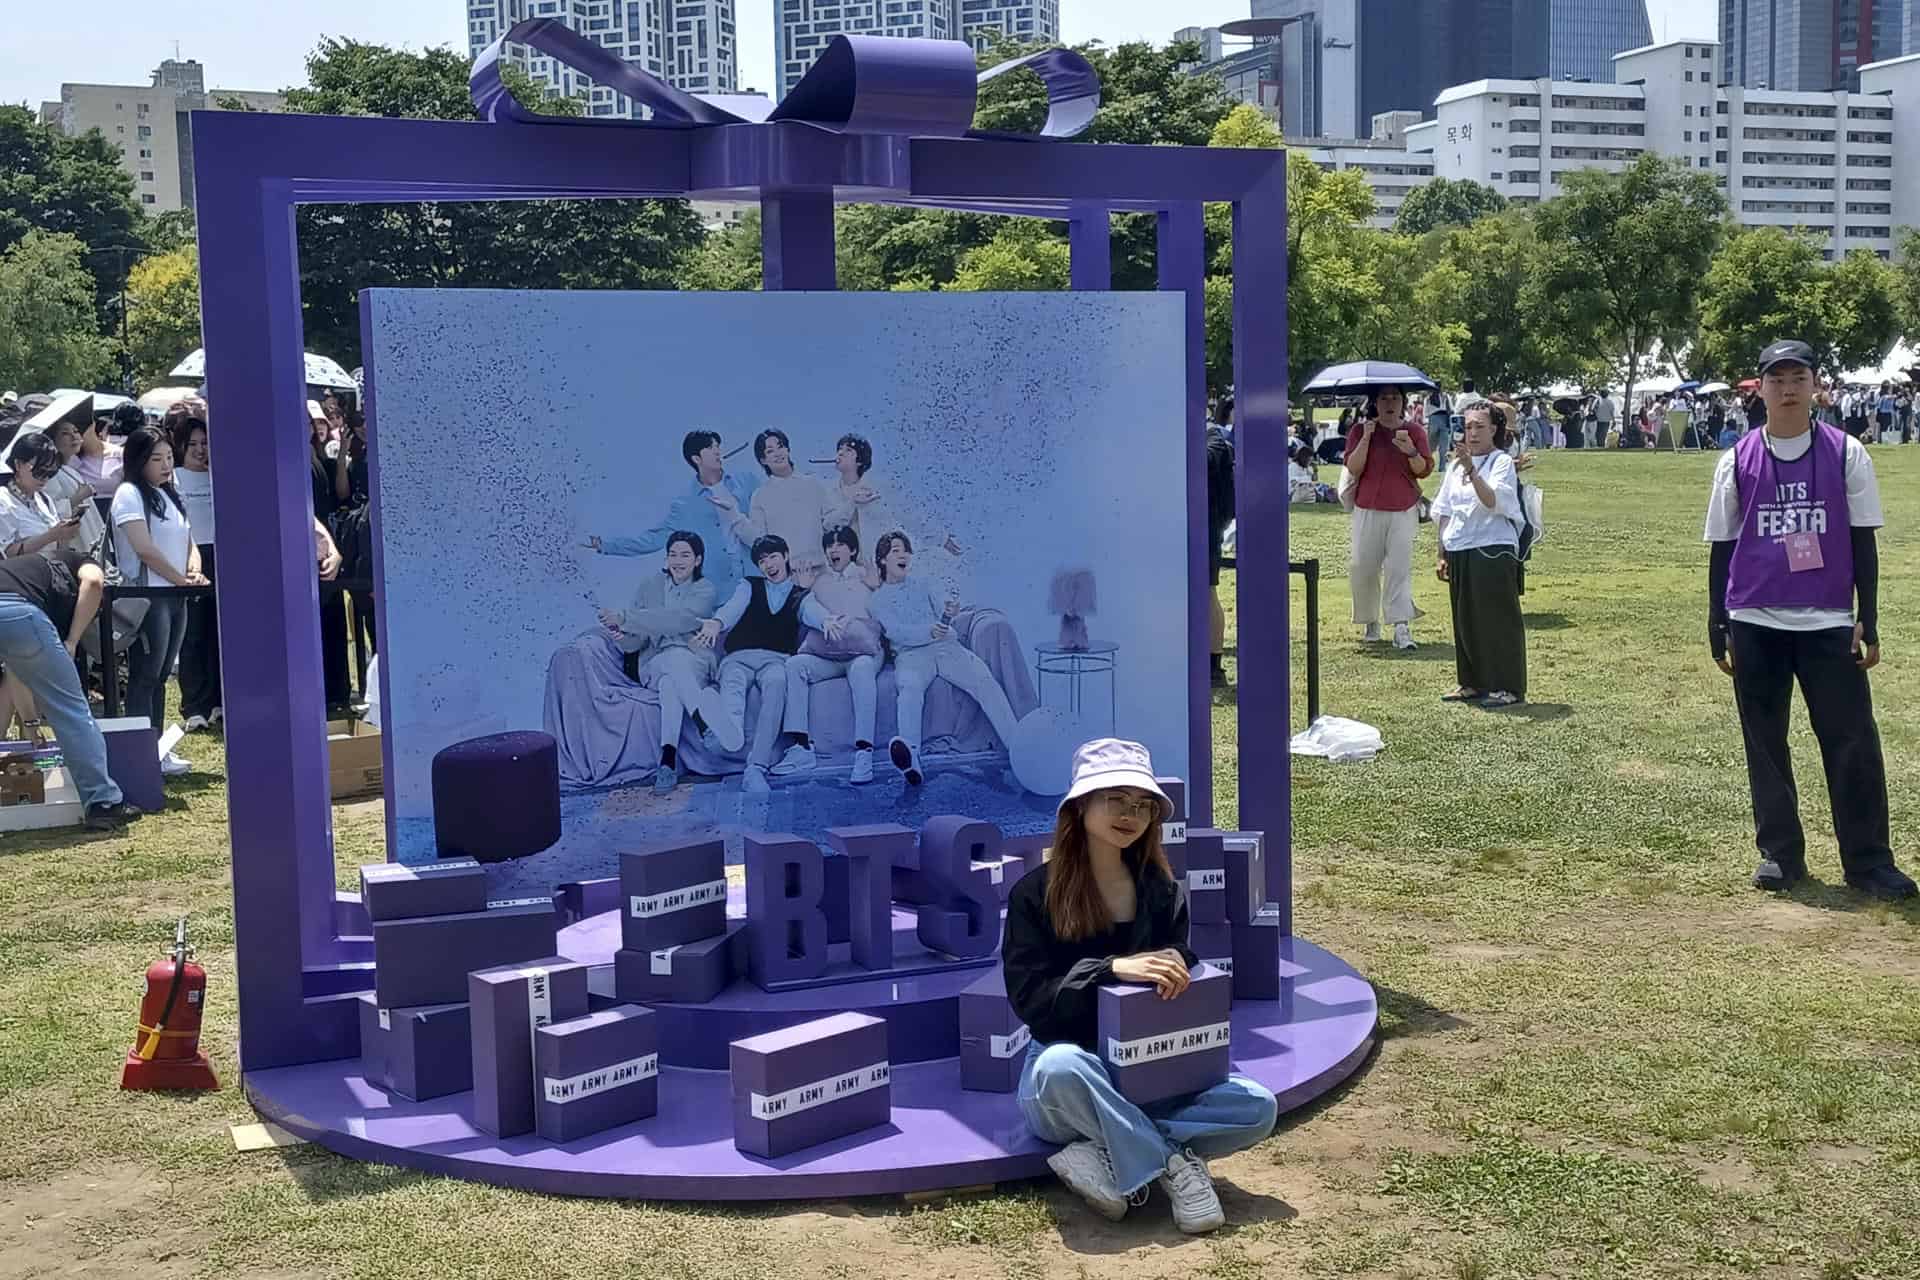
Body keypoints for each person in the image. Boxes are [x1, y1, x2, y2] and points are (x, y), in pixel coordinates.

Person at [1004, 737, 1278, 1234]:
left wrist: (1180, 962)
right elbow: (1032, 1002)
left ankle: (1103, 1154)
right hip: (1070, 1085)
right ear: (1080, 805)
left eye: (1143, 805)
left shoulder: (1163, 892)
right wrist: (1112, 968)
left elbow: (1177, 971)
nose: (1130, 814)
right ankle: (1174, 1166)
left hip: (1155, 1079)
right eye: (1115, 799)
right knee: (1059, 1066)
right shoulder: (1034, 894)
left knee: (1258, 1107)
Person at [1705, 340, 1915, 901]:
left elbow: (1862, 539)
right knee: (1766, 743)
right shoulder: (1737, 458)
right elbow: (1723, 545)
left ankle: (1869, 861)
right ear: (1761, 389)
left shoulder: (1846, 453)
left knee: (1851, 742)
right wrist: (1717, 620)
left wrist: (1866, 617)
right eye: (1777, 379)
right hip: (1755, 617)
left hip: (1825, 619)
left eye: (1798, 377)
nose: (1788, 388)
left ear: (1816, 385)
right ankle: (1780, 854)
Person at [0, 549, 145, 829]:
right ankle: (103, 802)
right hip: (20, 614)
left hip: (15, 613)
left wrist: (30, 721)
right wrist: (72, 640)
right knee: (71, 711)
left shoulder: (24, 570)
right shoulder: (79, 560)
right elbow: (93, 583)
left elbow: (18, 670)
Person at [868, 530, 1021, 786]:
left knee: (983, 679)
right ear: (882, 560)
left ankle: (1018, 747)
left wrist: (949, 610)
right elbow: (895, 632)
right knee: (909, 689)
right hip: (911, 654)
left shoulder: (924, 583)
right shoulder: (877, 600)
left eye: (906, 550)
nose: (903, 554)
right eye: (895, 550)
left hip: (944, 646)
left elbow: (942, 609)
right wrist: (928, 630)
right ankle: (912, 759)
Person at [112, 427, 206, 776]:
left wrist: (193, 569)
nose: (166, 465)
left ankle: (156, 750)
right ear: (138, 461)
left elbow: (187, 537)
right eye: (156, 458)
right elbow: (143, 548)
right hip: (148, 595)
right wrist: (179, 578)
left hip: (174, 594)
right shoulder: (129, 493)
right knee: (145, 674)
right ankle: (140, 753)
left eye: (169, 457)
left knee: (162, 674)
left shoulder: (167, 493)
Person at [695, 534, 813, 795]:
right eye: (762, 560)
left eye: (772, 556)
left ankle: (756, 768)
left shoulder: (800, 595)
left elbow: (814, 613)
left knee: (777, 684)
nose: (768, 564)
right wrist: (716, 622)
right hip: (740, 656)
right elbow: (732, 608)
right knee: (733, 684)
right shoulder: (749, 585)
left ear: (785, 556)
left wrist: (828, 621)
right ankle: (730, 731)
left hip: (776, 659)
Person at [588, 430, 762, 607]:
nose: (717, 451)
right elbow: (653, 539)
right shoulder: (685, 505)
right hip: (718, 593)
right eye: (710, 448)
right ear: (696, 459)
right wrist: (606, 546)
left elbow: (774, 518)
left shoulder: (748, 482)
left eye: (718, 446)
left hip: (758, 579)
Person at [614, 531, 723, 795]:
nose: (678, 560)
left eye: (685, 555)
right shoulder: (648, 587)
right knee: (669, 664)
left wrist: (629, 618)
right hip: (653, 661)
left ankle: (667, 762)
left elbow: (681, 619)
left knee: (670, 685)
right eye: (673, 554)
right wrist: (624, 636)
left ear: (698, 560)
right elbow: (636, 642)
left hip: (694, 660)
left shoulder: (705, 589)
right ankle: (703, 722)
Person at [773, 525, 883, 785]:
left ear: (852, 549)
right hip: (829, 655)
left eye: (840, 544)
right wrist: (802, 591)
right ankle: (801, 748)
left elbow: (887, 612)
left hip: (863, 653)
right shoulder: (817, 580)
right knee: (795, 665)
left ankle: (864, 752)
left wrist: (877, 588)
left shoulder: (866, 575)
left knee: (863, 669)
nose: (834, 549)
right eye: (829, 545)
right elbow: (800, 616)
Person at [1432, 404, 1526, 707]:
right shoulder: (1456, 466)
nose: (1471, 433)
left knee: (1497, 619)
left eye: (1479, 427)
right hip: (1460, 546)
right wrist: (1441, 551)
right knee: (1465, 619)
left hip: (1492, 546)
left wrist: (1472, 470)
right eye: (1468, 426)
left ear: (1494, 430)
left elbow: (1491, 501)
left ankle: (1507, 686)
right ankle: (1470, 681)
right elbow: (1445, 510)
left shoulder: (1501, 462)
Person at [1343, 386, 1433, 649]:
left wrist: (1411, 451)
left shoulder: (1415, 431)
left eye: (1395, 397)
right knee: (1363, 566)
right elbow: (1353, 467)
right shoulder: (1360, 431)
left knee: (1398, 568)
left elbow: (1424, 469)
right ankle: (1370, 620)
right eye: (1384, 398)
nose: (1390, 403)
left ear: (1403, 402)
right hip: (1367, 507)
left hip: (1403, 508)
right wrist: (1366, 438)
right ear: (1374, 402)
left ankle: (1401, 626)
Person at [711, 428, 847, 584]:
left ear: (788, 449)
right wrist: (733, 513)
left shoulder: (813, 484)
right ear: (763, 460)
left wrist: (854, 504)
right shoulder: (760, 495)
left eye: (780, 446)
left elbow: (831, 523)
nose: (777, 453)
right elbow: (759, 538)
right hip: (787, 579)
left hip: (822, 573)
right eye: (770, 451)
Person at [170, 416, 221, 730]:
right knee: (193, 634)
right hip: (189, 556)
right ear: (181, 447)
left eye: (205, 443)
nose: (200, 450)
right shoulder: (174, 478)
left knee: (219, 632)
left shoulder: (220, 476)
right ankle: (194, 705)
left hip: (221, 553)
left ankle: (218, 700)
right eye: (194, 445)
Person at [0, 433, 87, 561]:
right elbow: (6, 554)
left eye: (50, 472)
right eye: (39, 471)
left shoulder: (44, 499)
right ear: (18, 464)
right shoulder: (3, 500)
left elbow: (59, 549)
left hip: (51, 574)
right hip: (24, 577)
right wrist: (50, 536)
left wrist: (64, 534)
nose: (45, 478)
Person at [1205, 403, 1236, 688]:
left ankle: (1214, 666)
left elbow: (1206, 461)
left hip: (1204, 527)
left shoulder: (1211, 436)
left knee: (1207, 593)